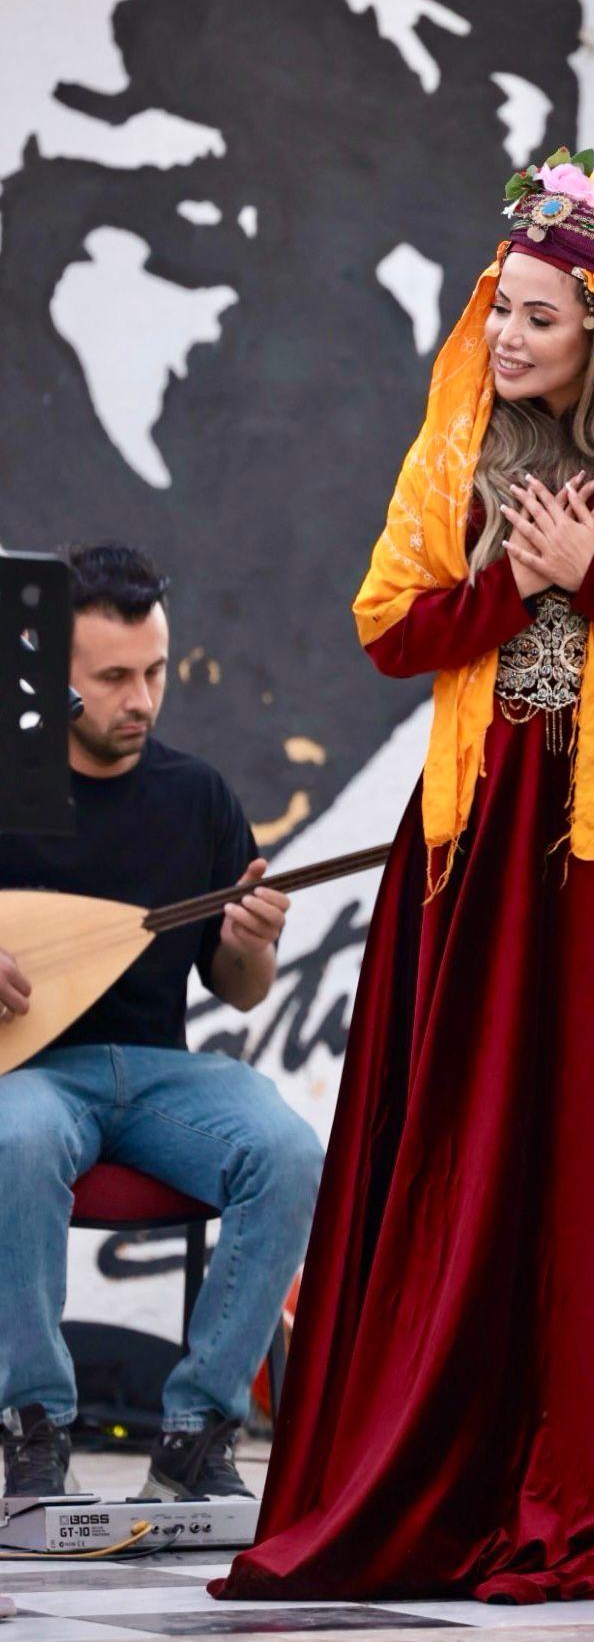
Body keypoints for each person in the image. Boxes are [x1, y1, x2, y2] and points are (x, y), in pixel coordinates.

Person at [215, 153, 594, 1603]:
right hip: (478, 844)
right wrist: (513, 582)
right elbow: (390, 628)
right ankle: (443, 1463)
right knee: (465, 1141)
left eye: (535, 315)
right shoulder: (457, 440)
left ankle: (592, 1486)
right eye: (500, 308)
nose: (506, 335)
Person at [0, 545, 324, 1502]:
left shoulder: (197, 795)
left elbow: (242, 989)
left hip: (158, 1075)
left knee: (287, 1148)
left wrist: (251, 941)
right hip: (33, 1075)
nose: (140, 700)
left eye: (155, 672)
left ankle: (198, 1434)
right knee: (16, 1138)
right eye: (112, 678)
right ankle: (33, 1427)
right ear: (54, 676)